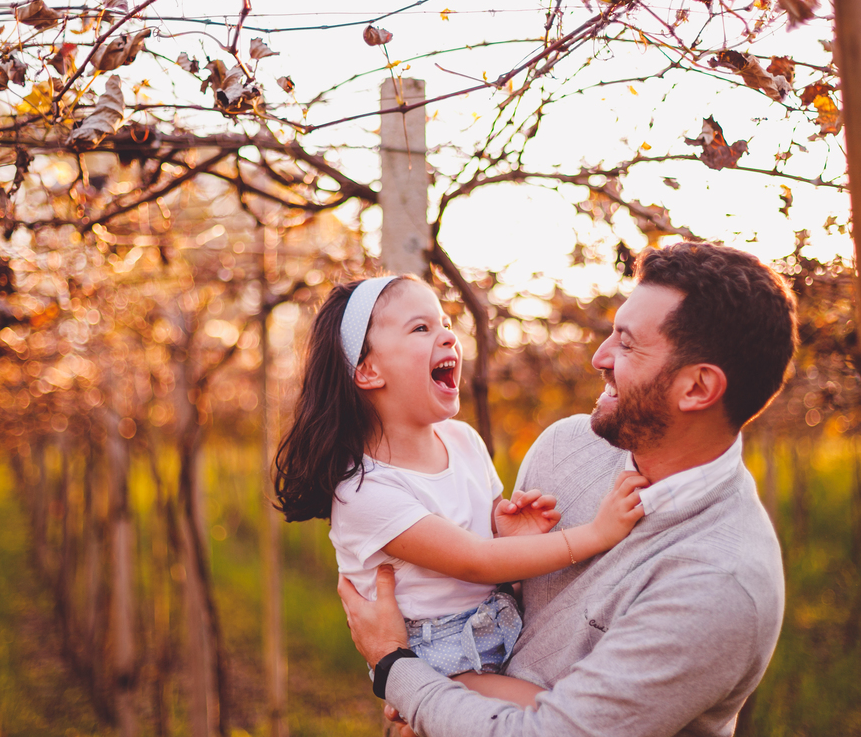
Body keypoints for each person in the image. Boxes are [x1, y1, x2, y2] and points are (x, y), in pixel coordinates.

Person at [338, 241, 798, 737]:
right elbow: (481, 591)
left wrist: (394, 666)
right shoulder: (568, 447)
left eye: (626, 346)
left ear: (697, 387)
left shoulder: (721, 580)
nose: (598, 357)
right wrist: (451, 722)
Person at [274, 274, 647, 706]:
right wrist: (597, 534)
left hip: (498, 624)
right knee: (550, 716)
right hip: (442, 658)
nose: (448, 335)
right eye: (421, 328)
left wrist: (503, 530)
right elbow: (475, 562)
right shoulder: (364, 491)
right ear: (368, 370)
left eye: (445, 321)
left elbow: (482, 546)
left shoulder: (463, 440)